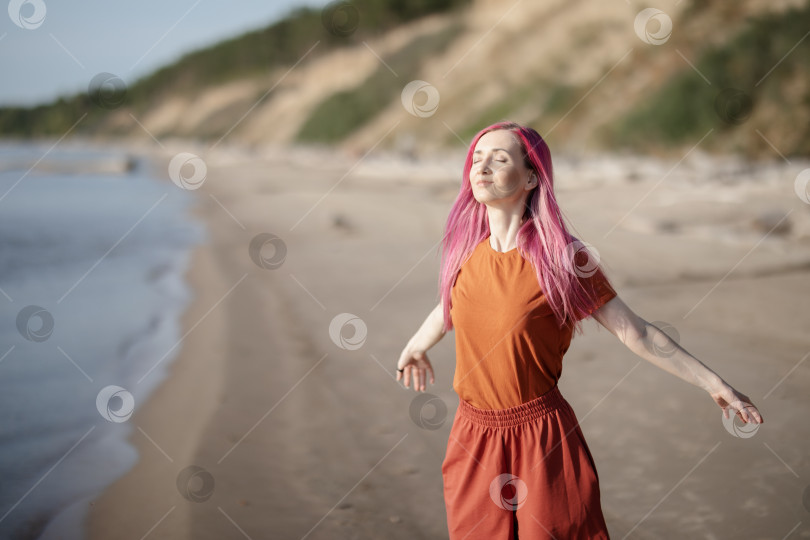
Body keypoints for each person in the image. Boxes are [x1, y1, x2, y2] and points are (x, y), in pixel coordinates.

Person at [395, 121, 764, 539]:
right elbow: (452, 305)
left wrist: (713, 383)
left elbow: (635, 332)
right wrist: (416, 345)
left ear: (532, 177)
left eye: (499, 159)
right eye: (476, 159)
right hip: (473, 436)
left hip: (541, 437)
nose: (481, 167)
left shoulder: (561, 258)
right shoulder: (465, 252)